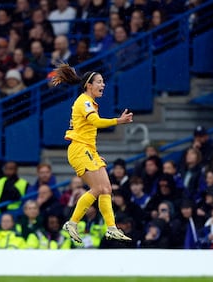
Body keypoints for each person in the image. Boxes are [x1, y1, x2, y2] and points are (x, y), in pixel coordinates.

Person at [51, 63, 133, 243]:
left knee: (106, 188)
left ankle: (111, 227)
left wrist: (95, 152)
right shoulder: (84, 101)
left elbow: (87, 131)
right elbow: (95, 122)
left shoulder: (89, 102)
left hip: (88, 149)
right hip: (79, 149)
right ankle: (72, 223)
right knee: (97, 188)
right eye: (99, 82)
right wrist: (118, 121)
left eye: (103, 82)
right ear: (89, 85)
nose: (103, 85)